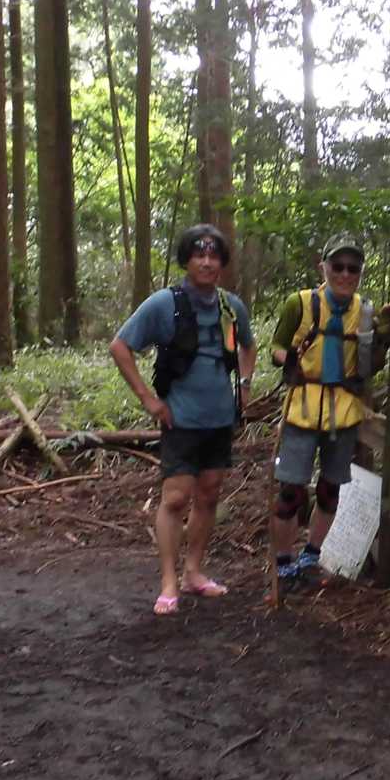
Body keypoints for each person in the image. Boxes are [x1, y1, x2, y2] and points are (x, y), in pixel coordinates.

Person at [110, 224, 257, 616]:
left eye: (214, 256)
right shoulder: (164, 304)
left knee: (209, 494)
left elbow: (248, 346)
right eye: (199, 255)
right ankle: (168, 582)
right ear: (187, 261)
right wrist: (148, 400)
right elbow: (120, 346)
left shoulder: (231, 307)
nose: (207, 263)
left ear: (222, 263)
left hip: (219, 418)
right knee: (175, 498)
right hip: (180, 418)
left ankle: (194, 572)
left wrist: (244, 385)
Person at [267, 236, 390, 585]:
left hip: (344, 411)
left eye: (353, 268)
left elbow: (372, 360)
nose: (345, 274)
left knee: (329, 489)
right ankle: (283, 563)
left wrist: (385, 334)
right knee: (291, 491)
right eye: (338, 266)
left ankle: (311, 557)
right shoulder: (300, 303)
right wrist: (288, 359)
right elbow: (276, 346)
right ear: (324, 267)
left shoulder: (365, 311)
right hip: (303, 408)